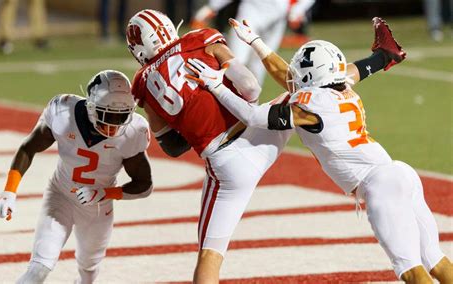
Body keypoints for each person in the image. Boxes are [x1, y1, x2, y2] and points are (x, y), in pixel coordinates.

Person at [126, 9, 400, 282]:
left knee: (210, 254)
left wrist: (193, 116)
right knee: (313, 87)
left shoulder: (142, 82)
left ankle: (384, 56)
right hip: (261, 133)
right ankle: (382, 57)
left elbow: (173, 147)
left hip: (226, 166)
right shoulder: (200, 38)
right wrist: (217, 85)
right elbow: (251, 89)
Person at [186, 17, 453, 284]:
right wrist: (257, 43)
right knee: (435, 259)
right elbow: (297, 77)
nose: (295, 76)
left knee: (412, 272)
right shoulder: (344, 87)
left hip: (379, 185)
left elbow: (254, 116)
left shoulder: (311, 103)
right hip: (400, 174)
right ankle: (386, 55)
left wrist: (216, 86)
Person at [0, 70, 153, 283]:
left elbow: (144, 185)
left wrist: (105, 192)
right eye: (107, 115)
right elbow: (28, 148)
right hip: (60, 195)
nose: (114, 125)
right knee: (39, 267)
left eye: (122, 116)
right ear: (90, 107)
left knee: (88, 271)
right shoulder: (64, 112)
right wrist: (9, 192)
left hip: (98, 207)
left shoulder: (134, 131)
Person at [191, 0, 315, 86]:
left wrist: (297, 10)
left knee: (260, 65)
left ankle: (250, 108)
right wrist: (212, 7)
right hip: (251, 12)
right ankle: (221, 105)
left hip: (277, 18)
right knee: (234, 61)